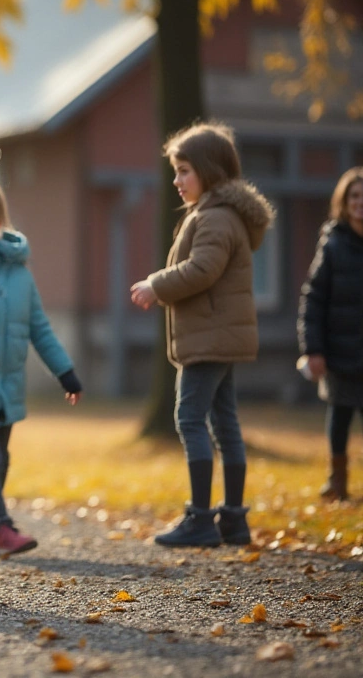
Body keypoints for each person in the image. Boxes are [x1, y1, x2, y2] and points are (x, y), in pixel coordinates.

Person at [130, 122, 275, 548]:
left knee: (189, 418)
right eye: (175, 171)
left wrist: (156, 284)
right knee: (224, 422)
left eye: (184, 171)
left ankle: (200, 518)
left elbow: (202, 270)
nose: (176, 180)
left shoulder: (214, 218)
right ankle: (233, 518)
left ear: (209, 171)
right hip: (220, 336)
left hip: (210, 338)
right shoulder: (218, 215)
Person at [0, 178, 82, 557]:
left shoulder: (20, 273)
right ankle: (2, 527)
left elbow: (38, 327)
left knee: (1, 459)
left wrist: (65, 371)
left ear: (0, 220)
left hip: (8, 386)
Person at [298, 166, 363, 502]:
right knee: (339, 418)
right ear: (344, 201)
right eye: (354, 196)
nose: (360, 202)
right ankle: (337, 481)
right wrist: (314, 349)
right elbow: (313, 298)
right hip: (338, 352)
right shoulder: (333, 245)